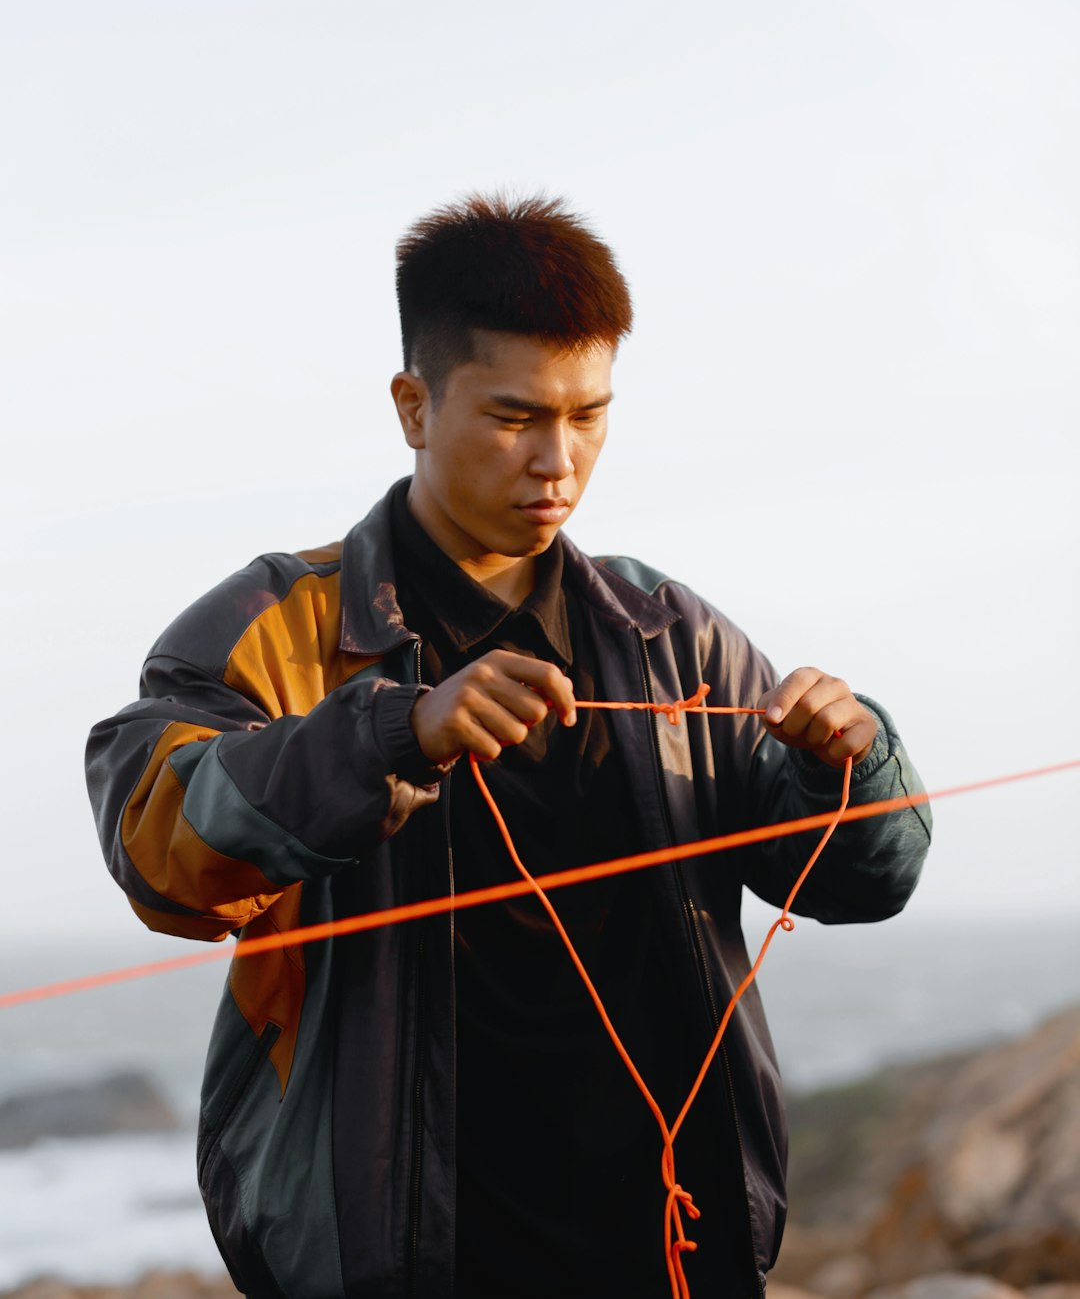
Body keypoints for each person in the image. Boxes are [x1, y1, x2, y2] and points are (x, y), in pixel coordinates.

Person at [86, 192, 931, 1299]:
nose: (559, 460)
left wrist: (850, 765)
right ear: (413, 405)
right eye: (515, 416)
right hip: (406, 1254)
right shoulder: (274, 626)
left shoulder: (668, 631)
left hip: (675, 1242)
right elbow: (162, 851)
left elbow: (864, 881)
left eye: (588, 415)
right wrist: (395, 734)